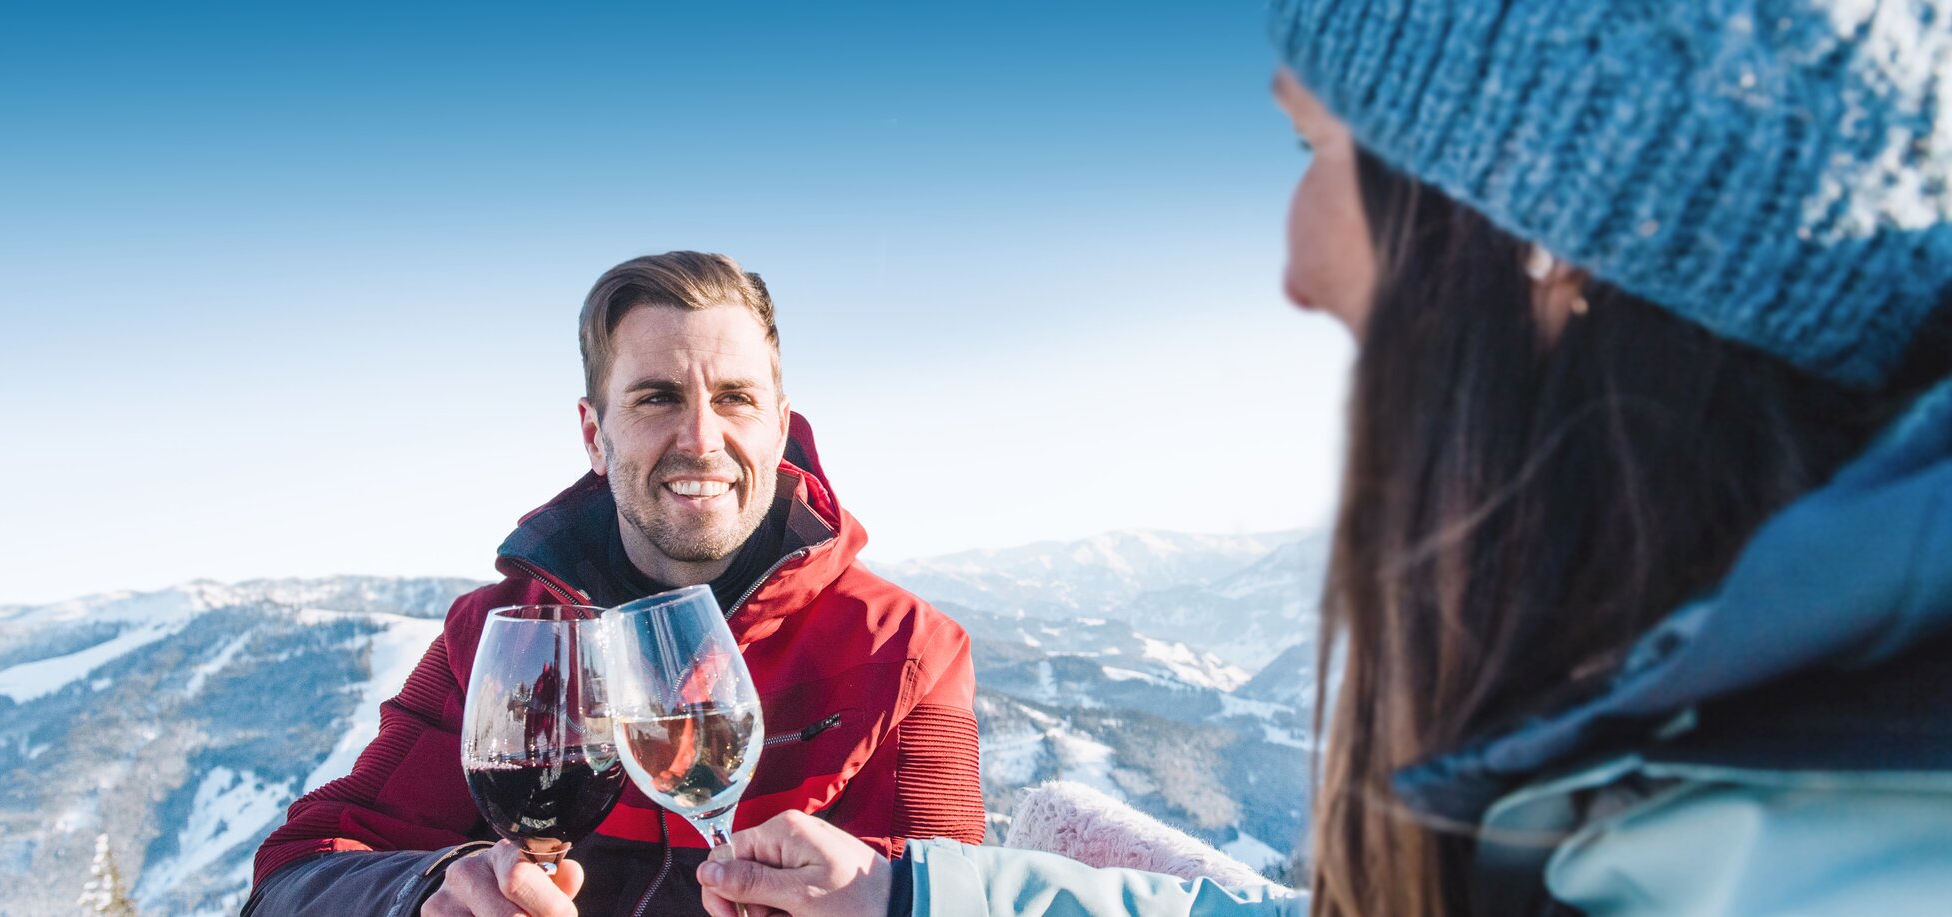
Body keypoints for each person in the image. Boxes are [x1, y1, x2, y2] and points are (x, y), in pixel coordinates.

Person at [694, 2, 1952, 916]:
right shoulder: (1743, 752)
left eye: (1316, 150)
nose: (1292, 267)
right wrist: (919, 896)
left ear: (1557, 232)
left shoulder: (1839, 849)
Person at [244, 252, 987, 917]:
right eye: (657, 397)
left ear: (778, 424)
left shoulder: (905, 648)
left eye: (735, 397)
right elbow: (298, 869)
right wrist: (427, 891)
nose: (701, 437)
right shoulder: (496, 635)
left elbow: (945, 886)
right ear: (593, 435)